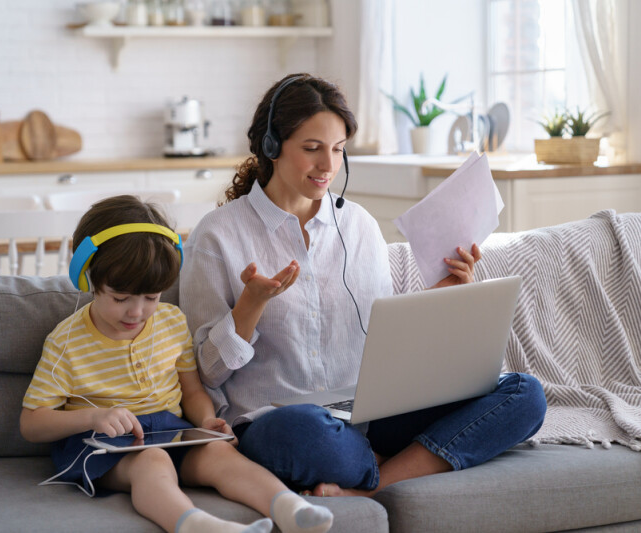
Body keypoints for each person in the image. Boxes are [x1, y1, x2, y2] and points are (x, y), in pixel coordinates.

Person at [177, 74, 547, 498]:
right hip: (279, 422)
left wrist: (442, 297)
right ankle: (408, 461)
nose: (327, 166)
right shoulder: (217, 235)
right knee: (301, 432)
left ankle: (374, 482)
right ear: (271, 146)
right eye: (312, 149)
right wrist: (249, 307)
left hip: (369, 414)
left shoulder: (359, 226)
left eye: (337, 150)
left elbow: (384, 340)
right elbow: (205, 372)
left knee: (524, 393)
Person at [20, 195, 334, 533]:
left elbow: (192, 390)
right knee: (152, 462)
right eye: (121, 298)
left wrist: (206, 420)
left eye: (151, 298)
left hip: (169, 431)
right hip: (101, 447)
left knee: (220, 454)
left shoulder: (170, 322)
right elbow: (31, 424)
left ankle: (292, 510)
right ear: (88, 278)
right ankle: (199, 527)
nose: (137, 312)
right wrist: (95, 416)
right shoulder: (66, 341)